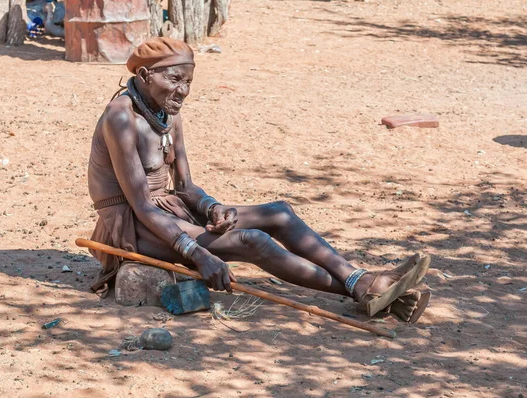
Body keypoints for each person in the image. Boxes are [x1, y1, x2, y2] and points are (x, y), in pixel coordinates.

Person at [87, 38, 431, 322]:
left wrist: (213, 208)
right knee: (253, 241)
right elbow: (143, 204)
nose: (183, 91)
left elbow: (186, 187)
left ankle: (362, 281)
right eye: (174, 80)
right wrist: (196, 253)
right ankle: (364, 287)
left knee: (279, 213)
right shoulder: (121, 117)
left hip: (170, 214)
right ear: (145, 75)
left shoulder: (166, 112)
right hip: (134, 226)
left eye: (188, 82)